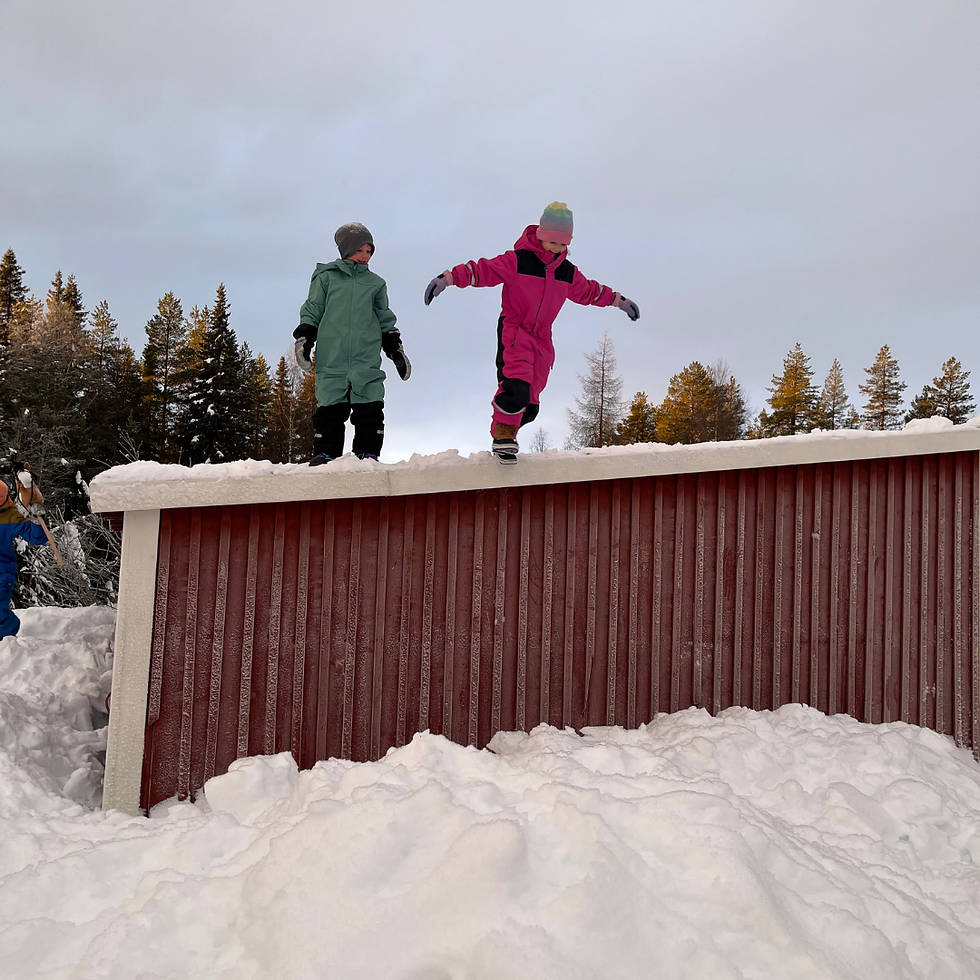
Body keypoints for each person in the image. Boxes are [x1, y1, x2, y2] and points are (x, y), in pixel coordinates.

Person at [423, 202, 640, 463]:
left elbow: (590, 292)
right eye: (552, 241)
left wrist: (618, 301)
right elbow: (482, 270)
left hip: (542, 339)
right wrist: (448, 278)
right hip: (515, 331)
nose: (557, 248)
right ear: (540, 235)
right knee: (516, 387)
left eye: (563, 244)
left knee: (530, 405)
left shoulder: (567, 273)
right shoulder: (517, 261)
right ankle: (503, 436)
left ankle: (510, 430)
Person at [292, 222, 411, 465]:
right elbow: (313, 309)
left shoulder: (376, 284)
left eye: (369, 251)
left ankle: (368, 454)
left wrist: (395, 348)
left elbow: (384, 317)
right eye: (360, 250)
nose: (365, 256)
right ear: (346, 250)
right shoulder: (326, 277)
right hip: (332, 356)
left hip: (365, 356)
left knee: (370, 407)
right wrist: (305, 339)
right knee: (330, 408)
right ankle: (326, 453)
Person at [0, 468, 48, 639]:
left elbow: (37, 537)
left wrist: (37, 519)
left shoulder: (11, 515)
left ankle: (6, 640)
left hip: (2, 571)